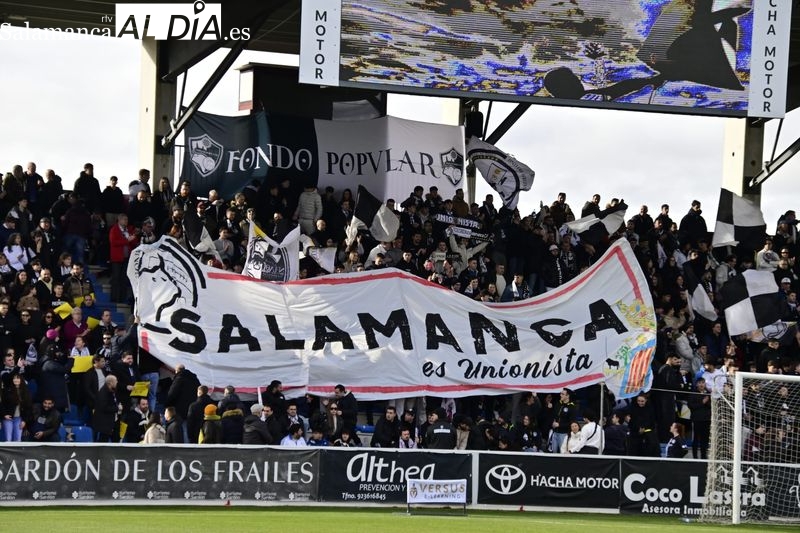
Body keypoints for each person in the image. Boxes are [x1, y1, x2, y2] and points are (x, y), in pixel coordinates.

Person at [2, 373, 32, 442]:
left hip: (19, 418)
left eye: (17, 378)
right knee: (8, 439)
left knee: (18, 439)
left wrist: (24, 420)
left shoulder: (25, 391)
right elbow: (2, 404)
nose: (16, 380)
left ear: (21, 379)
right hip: (8, 418)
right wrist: (4, 414)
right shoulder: (7, 390)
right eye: (14, 378)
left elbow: (28, 408)